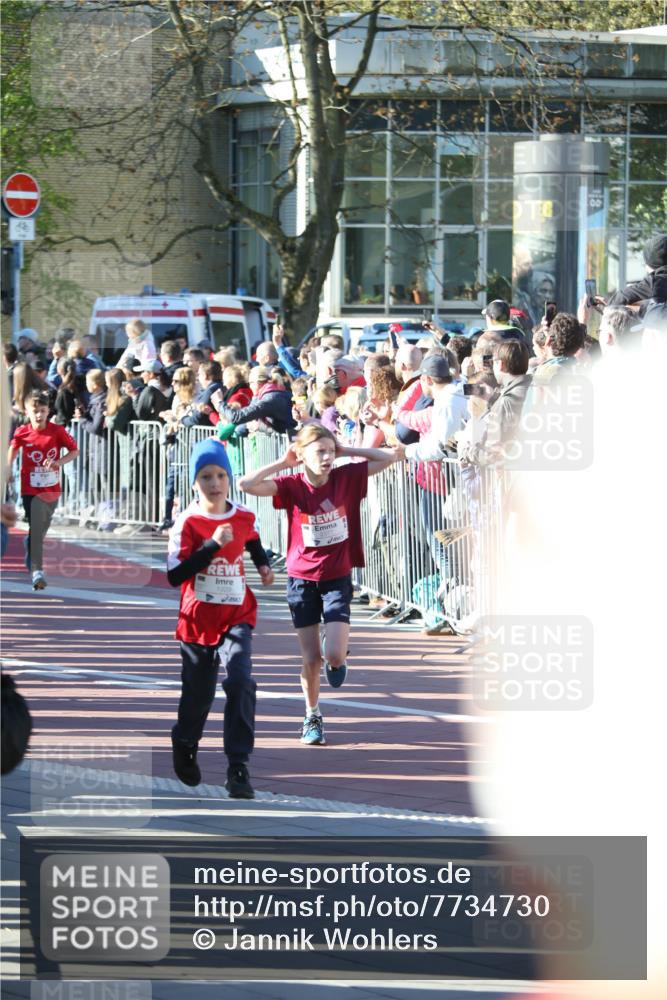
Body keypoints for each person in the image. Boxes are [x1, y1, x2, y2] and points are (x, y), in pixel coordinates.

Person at [238, 424, 399, 747]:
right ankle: (312, 715)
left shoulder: (346, 477)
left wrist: (348, 451)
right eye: (319, 453)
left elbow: (389, 457)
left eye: (330, 451)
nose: (327, 458)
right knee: (311, 659)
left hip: (337, 575)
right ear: (303, 456)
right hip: (301, 579)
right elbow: (246, 484)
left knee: (335, 656)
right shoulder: (292, 485)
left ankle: (335, 652)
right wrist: (284, 463)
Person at [167, 438, 275, 798]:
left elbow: (253, 539)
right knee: (199, 696)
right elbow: (173, 575)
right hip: (197, 619)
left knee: (241, 682)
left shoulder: (242, 514)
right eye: (205, 477)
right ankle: (184, 740)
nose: (214, 484)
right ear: (195, 483)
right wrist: (210, 546)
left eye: (220, 475)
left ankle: (238, 766)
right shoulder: (188, 521)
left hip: (236, 614)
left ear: (229, 478)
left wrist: (261, 565)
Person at [7, 389, 79, 590]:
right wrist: (7, 468)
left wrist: (59, 462)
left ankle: (31, 544)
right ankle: (37, 571)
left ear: (49, 411)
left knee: (41, 528)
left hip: (51, 489)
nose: (39, 415)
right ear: (27, 412)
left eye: (43, 411)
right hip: (29, 488)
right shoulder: (22, 431)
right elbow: (12, 450)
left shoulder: (57, 431)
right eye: (35, 411)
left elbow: (75, 451)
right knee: (37, 527)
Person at [213, 365, 296, 438]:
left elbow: (237, 417)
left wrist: (219, 403)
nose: (250, 387)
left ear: (258, 383)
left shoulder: (271, 398)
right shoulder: (266, 394)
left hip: (285, 444)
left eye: (251, 383)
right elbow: (246, 420)